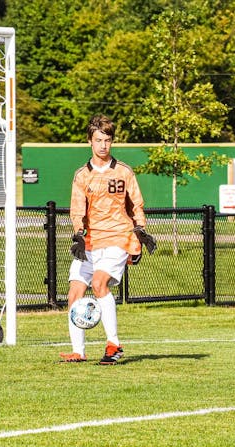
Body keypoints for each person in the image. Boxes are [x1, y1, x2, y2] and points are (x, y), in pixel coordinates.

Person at [59, 114, 156, 365]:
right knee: (74, 293)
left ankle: (114, 345)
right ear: (90, 142)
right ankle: (78, 351)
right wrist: (79, 235)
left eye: (108, 140)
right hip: (91, 242)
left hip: (118, 238)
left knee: (99, 284)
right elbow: (77, 209)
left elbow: (136, 204)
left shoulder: (124, 172)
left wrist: (141, 231)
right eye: (99, 140)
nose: (104, 145)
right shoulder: (82, 176)